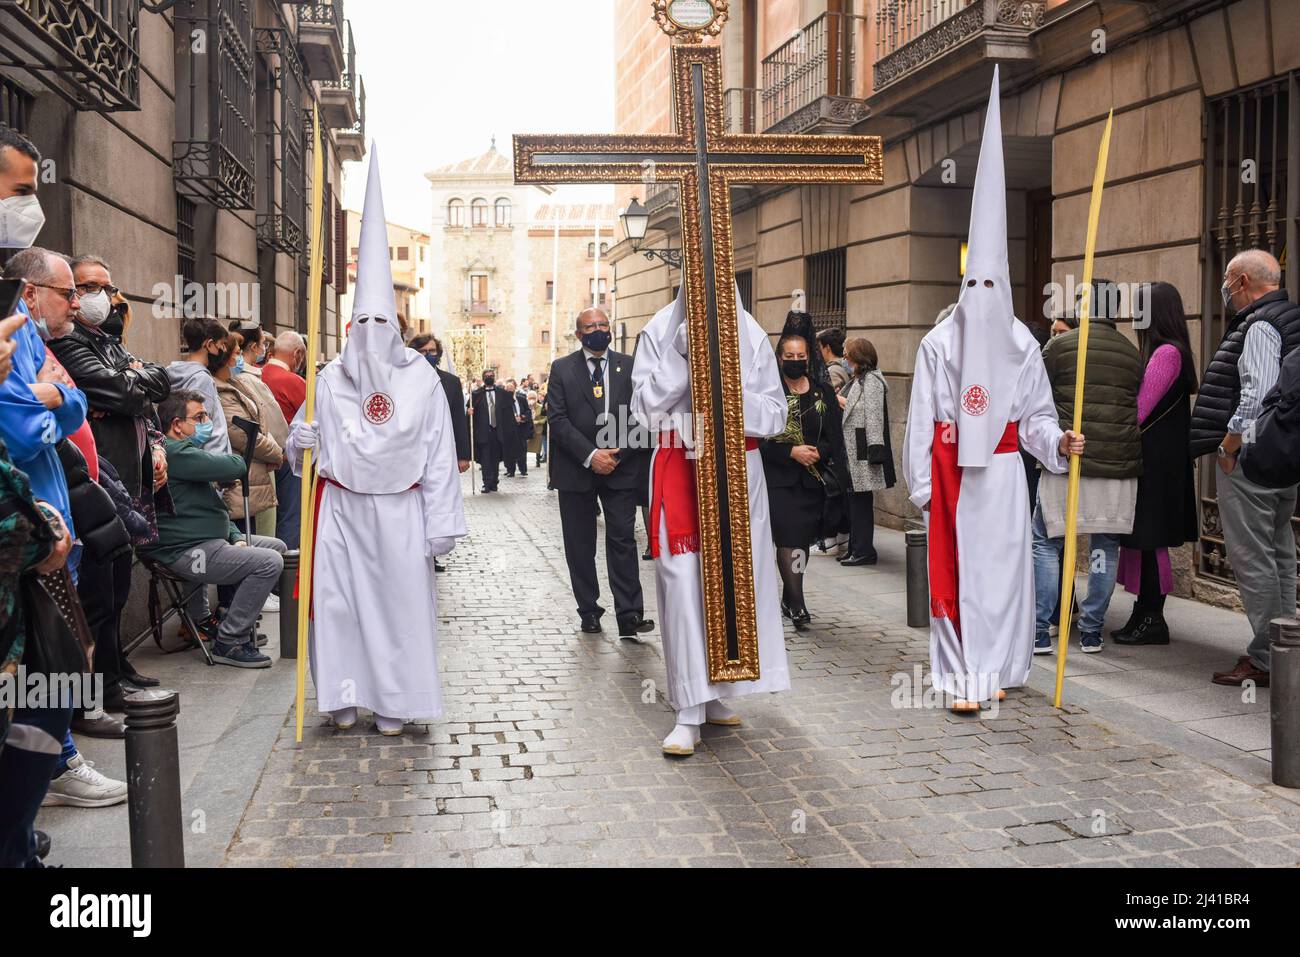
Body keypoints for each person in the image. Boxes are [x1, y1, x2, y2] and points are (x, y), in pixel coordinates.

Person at [903, 68, 1084, 712]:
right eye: (970, 287)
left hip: (1004, 475)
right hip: (955, 473)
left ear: (1004, 289)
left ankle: (1001, 665)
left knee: (1004, 574)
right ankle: (960, 678)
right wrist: (923, 488)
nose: (980, 300)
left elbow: (1034, 415)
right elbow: (922, 420)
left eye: (991, 287)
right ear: (961, 288)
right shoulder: (936, 346)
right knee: (962, 574)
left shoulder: (1022, 344)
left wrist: (1058, 440)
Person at [285, 148, 466, 735]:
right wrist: (301, 439)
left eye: (380, 324)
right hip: (339, 507)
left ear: (397, 327)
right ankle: (342, 697)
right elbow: (296, 451)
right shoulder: (328, 379)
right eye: (360, 323)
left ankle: (396, 700)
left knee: (398, 609)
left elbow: (439, 458)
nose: (369, 334)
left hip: (400, 511)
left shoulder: (422, 382)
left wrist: (442, 524)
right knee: (338, 608)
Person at [631, 286, 789, 756]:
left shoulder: (753, 334)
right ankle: (687, 709)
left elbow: (776, 415)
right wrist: (682, 357)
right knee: (683, 585)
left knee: (731, 586)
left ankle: (719, 691)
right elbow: (643, 411)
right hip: (680, 467)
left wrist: (727, 392)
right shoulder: (658, 331)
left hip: (738, 472)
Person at [50, 254, 170, 694]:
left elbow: (157, 385)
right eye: (84, 287)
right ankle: (101, 683)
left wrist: (132, 383)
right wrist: (129, 383)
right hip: (100, 478)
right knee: (99, 593)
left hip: (127, 482)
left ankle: (117, 666)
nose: (99, 295)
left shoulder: (108, 340)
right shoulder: (69, 341)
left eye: (105, 285)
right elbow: (120, 391)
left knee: (119, 587)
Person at [1191, 249, 1299, 688]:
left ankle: (1268, 657)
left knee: (1253, 559)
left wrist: (1230, 446)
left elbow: (1254, 397)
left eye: (1228, 284)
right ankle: (1286, 644)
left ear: (1240, 282)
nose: (1225, 293)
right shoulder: (1291, 317)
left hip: (1254, 459)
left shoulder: (1260, 326)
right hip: (1285, 458)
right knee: (1281, 556)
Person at [1033, 278, 1143, 655]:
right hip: (1118, 467)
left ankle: (1040, 629)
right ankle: (1092, 631)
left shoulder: (1059, 347)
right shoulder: (1132, 352)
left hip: (1071, 460)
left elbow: (1037, 397)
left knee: (1046, 540)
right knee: (1103, 546)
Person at [140, 390, 285, 668]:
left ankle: (214, 620)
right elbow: (235, 465)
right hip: (183, 549)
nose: (207, 422)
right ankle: (230, 640)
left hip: (205, 540)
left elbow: (211, 507)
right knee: (268, 562)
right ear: (177, 424)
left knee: (275, 547)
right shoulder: (174, 452)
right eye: (200, 417)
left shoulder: (187, 451)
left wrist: (233, 536)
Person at [546, 307, 653, 638]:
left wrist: (617, 453)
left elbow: (641, 414)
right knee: (580, 544)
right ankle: (589, 610)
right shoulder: (562, 369)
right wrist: (591, 455)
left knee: (623, 538)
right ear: (579, 334)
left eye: (603, 324)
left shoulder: (630, 366)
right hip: (576, 470)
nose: (598, 330)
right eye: (590, 326)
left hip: (621, 468)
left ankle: (630, 615)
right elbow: (558, 419)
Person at [1113, 282, 1200, 646]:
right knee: (1145, 540)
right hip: (1161, 463)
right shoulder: (1168, 350)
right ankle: (1144, 612)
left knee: (1150, 540)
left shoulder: (1166, 354)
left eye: (1140, 308)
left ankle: (1153, 617)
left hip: (1157, 466)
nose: (1135, 316)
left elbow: (1139, 409)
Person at [760, 328, 849, 630]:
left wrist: (816, 452)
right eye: (789, 357)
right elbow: (758, 439)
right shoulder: (769, 391)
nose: (795, 361)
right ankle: (797, 603)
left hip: (813, 478)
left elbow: (833, 433)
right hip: (779, 480)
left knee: (801, 541)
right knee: (789, 538)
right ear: (780, 358)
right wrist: (790, 452)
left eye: (801, 356)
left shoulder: (821, 391)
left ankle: (789, 594)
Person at [214, 329, 284, 616]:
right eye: (235, 353)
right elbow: (242, 433)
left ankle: (244, 608)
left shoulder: (235, 383)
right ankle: (234, 612)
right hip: (238, 475)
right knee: (241, 544)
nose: (239, 358)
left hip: (250, 475)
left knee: (251, 538)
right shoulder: (220, 389)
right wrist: (276, 452)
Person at [838, 336, 895, 566]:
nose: (844, 356)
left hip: (863, 450)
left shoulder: (871, 380)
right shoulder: (859, 378)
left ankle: (863, 550)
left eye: (847, 352)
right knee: (854, 501)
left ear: (858, 356)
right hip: (854, 449)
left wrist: (875, 451)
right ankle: (856, 548)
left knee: (860, 502)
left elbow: (873, 416)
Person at [230, 321, 289, 540]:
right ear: (254, 346)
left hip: (243, 468)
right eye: (263, 343)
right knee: (260, 536)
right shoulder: (249, 381)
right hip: (256, 469)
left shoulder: (234, 377)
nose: (265, 349)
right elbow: (276, 429)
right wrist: (277, 452)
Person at [262, 330, 308, 548]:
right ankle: (288, 572)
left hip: (262, 457)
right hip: (289, 460)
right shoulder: (293, 382)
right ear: (297, 353)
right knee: (290, 515)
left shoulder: (257, 376)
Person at [166, 317, 232, 454]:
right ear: (209, 345)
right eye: (222, 344)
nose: (224, 350)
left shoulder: (174, 372)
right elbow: (197, 427)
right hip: (211, 463)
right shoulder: (201, 379)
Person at [410, 334, 470, 472]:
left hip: (443, 449)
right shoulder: (404, 380)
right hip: (413, 450)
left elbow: (458, 420)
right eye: (423, 351)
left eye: (432, 351)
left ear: (438, 353)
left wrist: (463, 456)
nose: (428, 354)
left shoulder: (452, 382)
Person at [469, 369, 514, 492]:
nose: (489, 377)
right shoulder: (476, 394)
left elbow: (509, 411)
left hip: (498, 431)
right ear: (483, 378)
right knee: (485, 459)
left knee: (495, 458)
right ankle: (487, 482)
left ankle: (494, 481)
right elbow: (470, 409)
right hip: (483, 431)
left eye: (491, 376)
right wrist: (469, 412)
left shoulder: (502, 393)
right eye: (487, 376)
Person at [507, 379, 533, 477]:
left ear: (515, 389)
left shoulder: (521, 399)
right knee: (510, 451)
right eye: (508, 390)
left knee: (522, 450)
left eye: (511, 389)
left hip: (521, 428)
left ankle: (523, 469)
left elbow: (528, 411)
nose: (510, 391)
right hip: (510, 429)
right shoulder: (503, 401)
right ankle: (511, 470)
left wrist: (522, 417)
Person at [817, 327, 850, 397]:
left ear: (827, 347)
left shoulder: (832, 371)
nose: (819, 351)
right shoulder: (847, 365)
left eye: (820, 347)